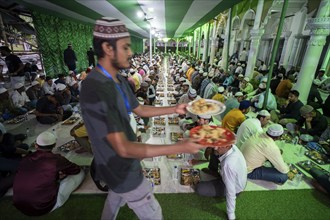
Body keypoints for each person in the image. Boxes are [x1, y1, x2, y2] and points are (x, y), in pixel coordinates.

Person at [79, 18, 214, 220]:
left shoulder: (119, 80)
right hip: (121, 168)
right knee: (154, 214)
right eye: (125, 47)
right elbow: (123, 148)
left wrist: (174, 108)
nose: (131, 52)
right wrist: (180, 147)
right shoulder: (96, 87)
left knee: (115, 199)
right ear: (108, 48)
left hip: (116, 167)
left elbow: (140, 109)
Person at [13, 131, 85, 216]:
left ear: (36, 145)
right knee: (80, 174)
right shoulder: (56, 159)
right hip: (42, 207)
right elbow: (75, 170)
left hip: (20, 205)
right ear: (54, 145)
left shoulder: (26, 158)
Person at [196, 144, 247, 220]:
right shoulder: (232, 147)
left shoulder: (228, 164)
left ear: (227, 146)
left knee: (200, 188)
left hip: (235, 189)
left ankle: (217, 174)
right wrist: (210, 147)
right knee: (214, 151)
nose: (216, 147)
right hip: (233, 178)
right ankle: (213, 171)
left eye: (219, 146)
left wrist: (231, 215)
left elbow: (231, 192)